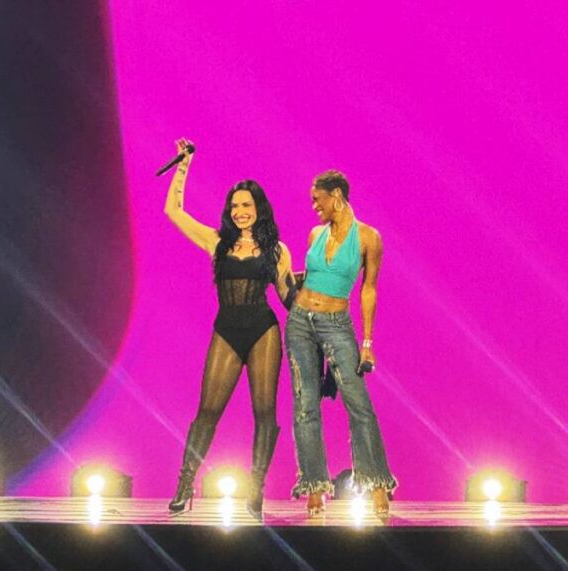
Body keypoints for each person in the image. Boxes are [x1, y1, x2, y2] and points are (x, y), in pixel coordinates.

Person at [163, 139, 294, 519]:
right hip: (227, 329)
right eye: (234, 206)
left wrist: (321, 301)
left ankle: (256, 489)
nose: (239, 212)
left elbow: (288, 297)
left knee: (264, 411)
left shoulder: (277, 250)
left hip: (263, 330)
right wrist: (184, 165)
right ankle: (185, 483)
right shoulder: (216, 241)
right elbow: (173, 210)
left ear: (259, 209)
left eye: (246, 205)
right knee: (208, 410)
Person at [286, 169, 397, 518]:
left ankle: (376, 481)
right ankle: (315, 486)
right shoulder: (315, 234)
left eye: (317, 200)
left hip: (337, 324)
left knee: (358, 404)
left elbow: (369, 289)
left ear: (335, 195)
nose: (314, 206)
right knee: (305, 405)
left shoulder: (368, 238)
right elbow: (311, 276)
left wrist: (367, 341)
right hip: (300, 322)